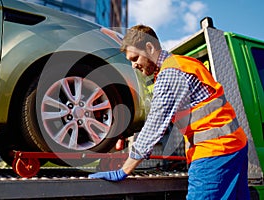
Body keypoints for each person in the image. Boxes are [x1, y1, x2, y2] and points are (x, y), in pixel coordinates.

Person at [89, 25, 250, 200]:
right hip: (235, 144)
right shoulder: (183, 63)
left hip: (215, 151)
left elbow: (154, 125)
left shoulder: (170, 74)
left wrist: (124, 169)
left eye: (135, 58)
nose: (134, 65)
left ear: (149, 48)